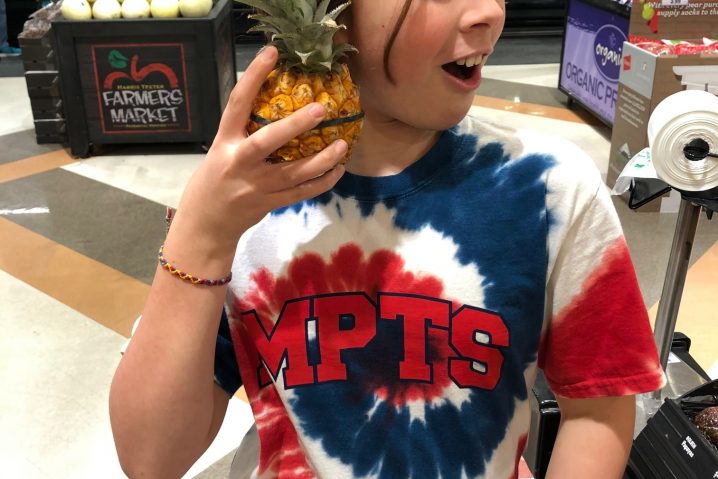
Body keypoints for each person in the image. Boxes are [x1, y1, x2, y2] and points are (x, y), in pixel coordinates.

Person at [109, 0, 666, 478]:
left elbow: (598, 407)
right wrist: (203, 233)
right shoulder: (246, 204)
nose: (490, 13)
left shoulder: (549, 188)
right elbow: (151, 458)